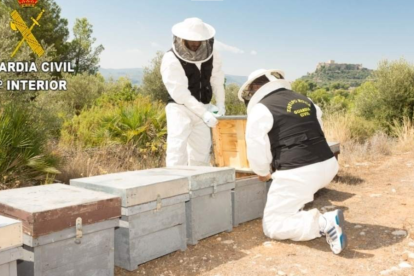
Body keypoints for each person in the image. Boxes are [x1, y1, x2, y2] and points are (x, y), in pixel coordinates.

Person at [238, 69, 347, 254]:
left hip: (299, 172)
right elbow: (318, 130)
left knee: (273, 225)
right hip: (327, 164)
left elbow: (256, 146)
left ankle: (323, 223)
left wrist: (263, 172)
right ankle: (301, 211)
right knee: (294, 197)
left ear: (256, 87)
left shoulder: (261, 108)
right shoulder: (306, 99)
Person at [161, 18, 225, 167]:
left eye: (199, 40)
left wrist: (221, 104)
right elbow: (180, 94)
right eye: (192, 40)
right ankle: (176, 188)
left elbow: (217, 79)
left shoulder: (213, 53)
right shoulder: (170, 58)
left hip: (204, 108)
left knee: (201, 155)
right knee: (177, 153)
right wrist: (203, 113)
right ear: (182, 38)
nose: (196, 44)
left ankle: (198, 189)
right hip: (180, 109)